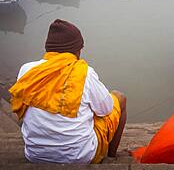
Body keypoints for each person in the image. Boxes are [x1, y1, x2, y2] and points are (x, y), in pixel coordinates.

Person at [9, 19, 127, 164]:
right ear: (77, 50)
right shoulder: (84, 73)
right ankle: (111, 157)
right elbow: (106, 109)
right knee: (119, 97)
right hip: (80, 156)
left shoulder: (27, 70)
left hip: (34, 154)